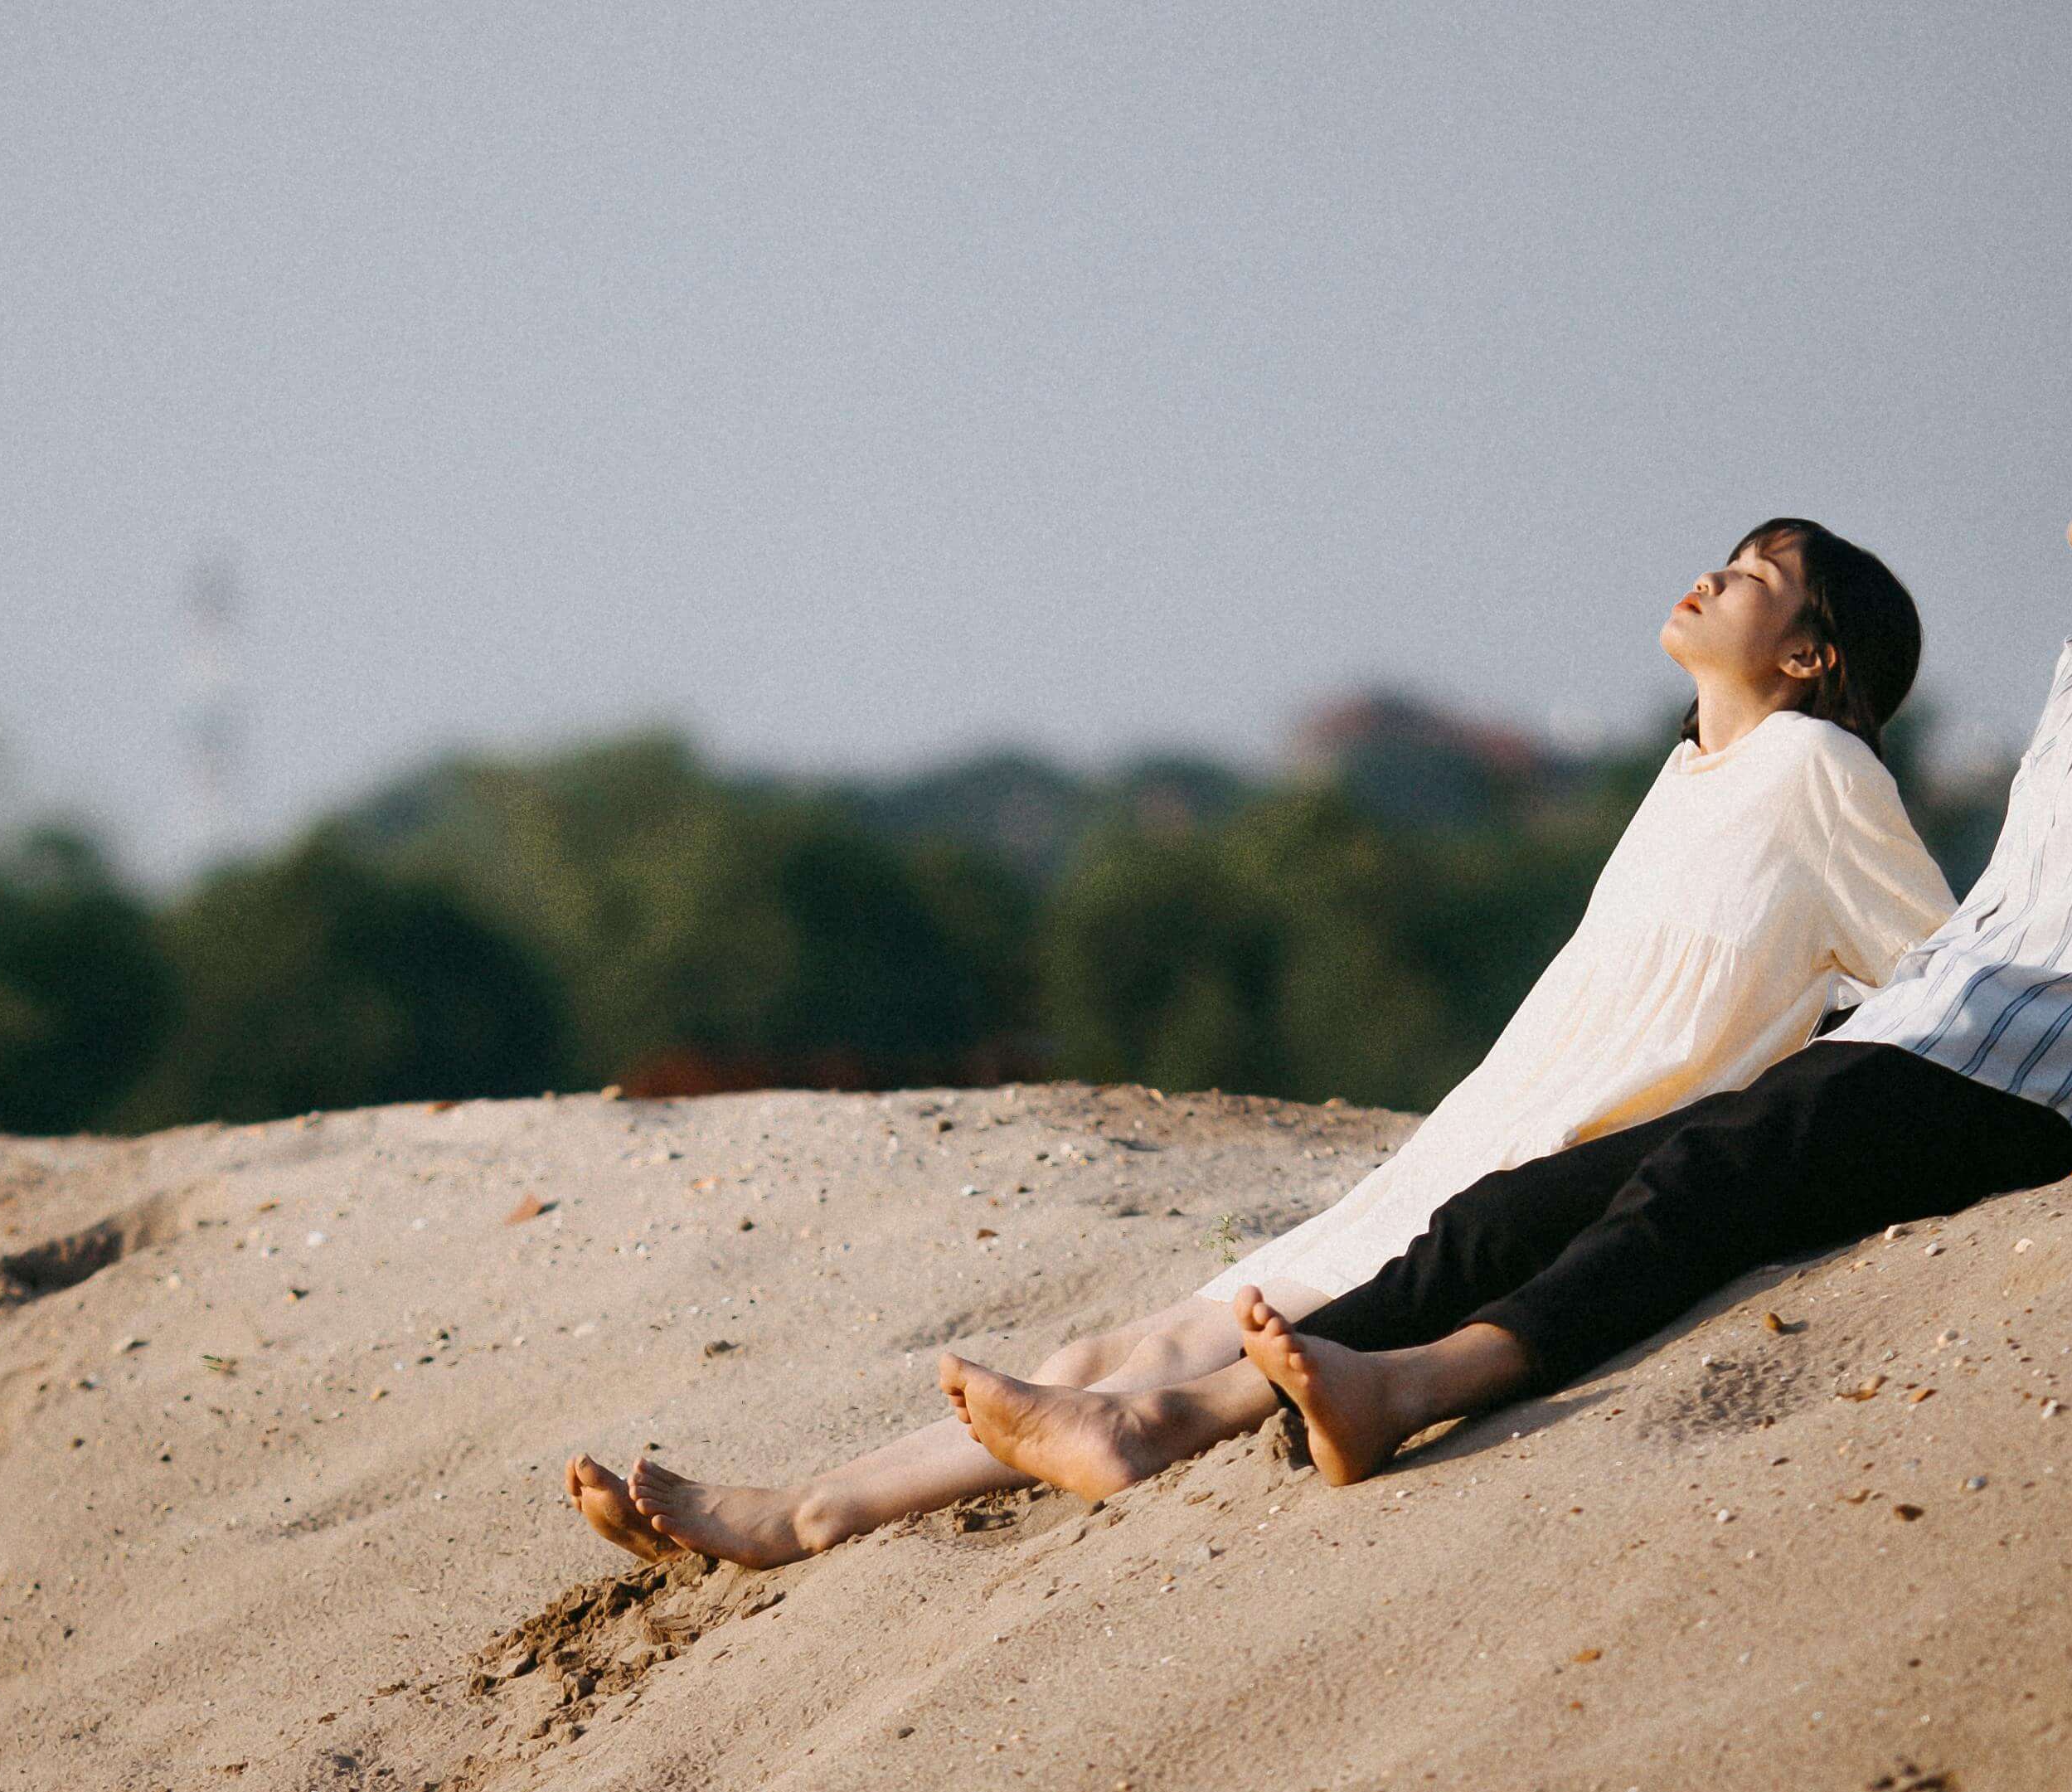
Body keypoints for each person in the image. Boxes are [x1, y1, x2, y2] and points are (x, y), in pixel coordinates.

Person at [944, 371, 2072, 1499]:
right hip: (1919, 1043)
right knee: (1522, 1204)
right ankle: (1173, 1416)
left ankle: (1413, 1390)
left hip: (2002, 1095)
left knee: (1706, 1177)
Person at [570, 517, 1958, 1566]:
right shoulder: (1687, 778)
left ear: (1811, 650)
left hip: (1562, 1167)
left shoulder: (1824, 771)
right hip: (1478, 1132)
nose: (1715, 575)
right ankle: (810, 1504)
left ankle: (803, 1514)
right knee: (1118, 1333)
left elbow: (1946, 984)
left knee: (1182, 1344)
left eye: (1761, 572)